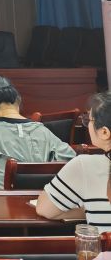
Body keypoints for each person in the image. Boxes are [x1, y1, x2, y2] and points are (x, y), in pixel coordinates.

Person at [37, 91, 111, 232]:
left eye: (89, 120)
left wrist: (87, 208)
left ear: (104, 132)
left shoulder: (85, 166)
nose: (87, 125)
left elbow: (44, 209)